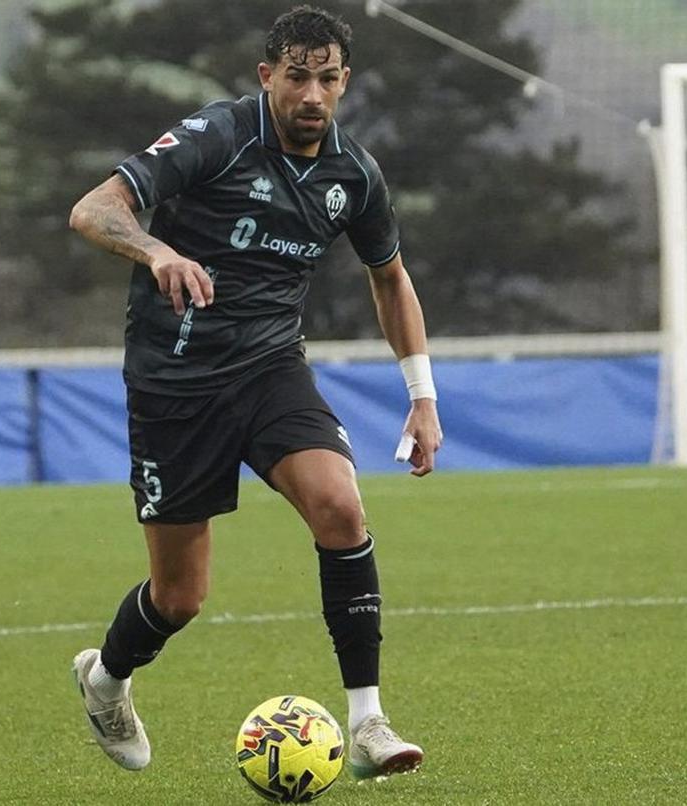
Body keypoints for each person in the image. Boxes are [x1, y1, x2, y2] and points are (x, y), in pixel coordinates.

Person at [67, 4, 442, 778]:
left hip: (271, 370)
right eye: (297, 76)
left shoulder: (353, 176)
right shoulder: (219, 136)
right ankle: (105, 679)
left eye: (327, 79)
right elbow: (94, 209)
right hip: (174, 383)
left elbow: (391, 278)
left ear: (345, 83)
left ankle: (368, 723)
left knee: (341, 507)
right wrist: (157, 250)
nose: (312, 93)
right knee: (180, 597)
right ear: (267, 76)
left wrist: (423, 394)